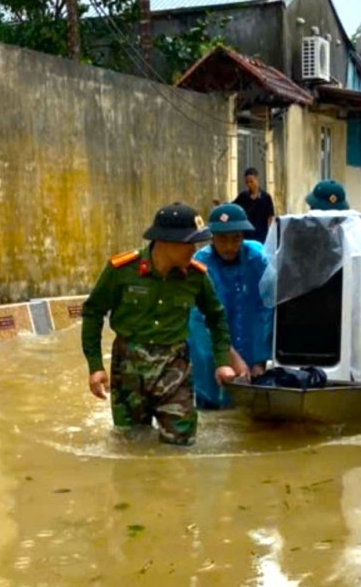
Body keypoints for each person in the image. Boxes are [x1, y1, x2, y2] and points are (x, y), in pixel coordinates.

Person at [81, 203, 236, 446]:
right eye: (189, 243)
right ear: (167, 242)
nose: (194, 250)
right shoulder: (121, 270)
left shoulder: (196, 276)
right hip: (128, 371)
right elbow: (92, 312)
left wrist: (222, 363)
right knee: (130, 445)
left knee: (181, 444)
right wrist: (95, 367)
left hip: (175, 369)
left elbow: (216, 317)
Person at [187, 204, 274, 408]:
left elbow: (267, 308)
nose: (229, 246)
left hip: (253, 347)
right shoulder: (199, 266)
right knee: (213, 406)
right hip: (210, 355)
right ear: (212, 238)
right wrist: (228, 357)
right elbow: (200, 320)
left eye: (236, 239)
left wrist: (260, 359)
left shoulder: (258, 259)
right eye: (222, 239)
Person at [233, 167, 275, 244]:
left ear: (256, 179)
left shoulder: (266, 197)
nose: (249, 184)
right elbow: (233, 208)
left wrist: (270, 234)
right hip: (246, 235)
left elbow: (270, 217)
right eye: (247, 182)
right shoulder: (243, 196)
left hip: (262, 236)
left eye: (251, 181)